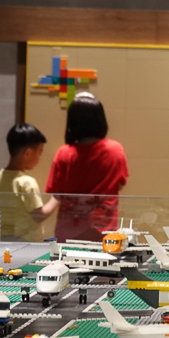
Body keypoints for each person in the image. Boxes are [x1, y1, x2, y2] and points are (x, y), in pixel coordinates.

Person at [46, 92, 128, 242]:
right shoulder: (115, 150)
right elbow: (120, 184)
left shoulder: (64, 153)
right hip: (103, 232)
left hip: (69, 232)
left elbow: (57, 192)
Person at [0, 123, 59, 241]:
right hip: (26, 241)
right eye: (40, 152)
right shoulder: (26, 182)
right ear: (27, 153)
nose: (39, 157)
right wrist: (57, 198)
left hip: (4, 239)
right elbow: (39, 215)